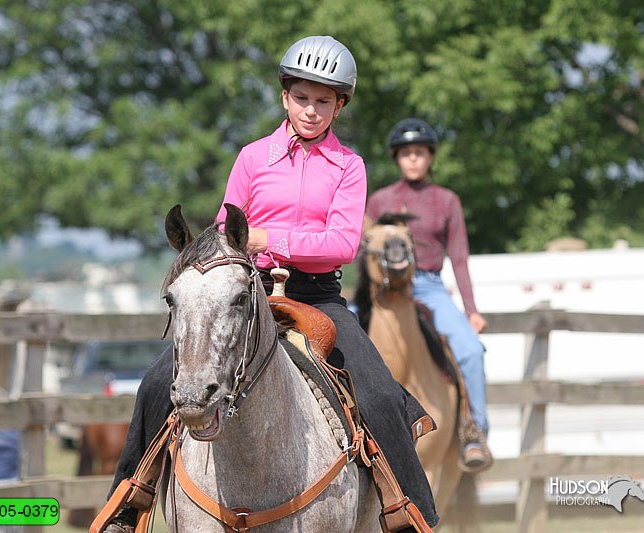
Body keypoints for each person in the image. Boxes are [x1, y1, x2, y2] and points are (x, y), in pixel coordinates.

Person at [104, 37, 438, 532]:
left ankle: (408, 513)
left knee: (381, 394)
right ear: (285, 97)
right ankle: (129, 504)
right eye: (302, 98)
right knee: (157, 383)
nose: (311, 110)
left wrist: (267, 236)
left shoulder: (349, 167)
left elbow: (342, 244)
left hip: (318, 296)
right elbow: (222, 227)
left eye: (324, 101)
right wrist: (236, 246)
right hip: (248, 292)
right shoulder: (252, 157)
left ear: (339, 106)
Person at [365, 117, 493, 472]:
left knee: (470, 351)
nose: (413, 159)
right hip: (385, 289)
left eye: (420, 152)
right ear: (397, 158)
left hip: (429, 285)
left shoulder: (446, 200)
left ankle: (474, 432)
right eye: (406, 153)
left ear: (430, 157)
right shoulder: (379, 201)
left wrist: (472, 310)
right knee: (341, 337)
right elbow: (366, 252)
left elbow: (460, 257)